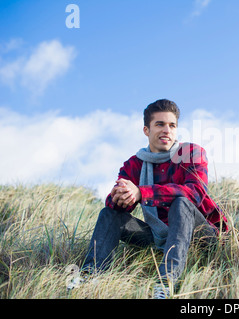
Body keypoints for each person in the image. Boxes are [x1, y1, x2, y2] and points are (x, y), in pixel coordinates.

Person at [80, 99, 229, 299]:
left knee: (181, 202)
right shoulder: (134, 164)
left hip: (200, 234)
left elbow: (194, 193)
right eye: (159, 124)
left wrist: (143, 192)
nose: (166, 130)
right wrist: (121, 196)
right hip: (157, 234)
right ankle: (90, 277)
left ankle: (165, 284)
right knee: (109, 214)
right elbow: (116, 206)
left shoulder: (191, 153)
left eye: (172, 125)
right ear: (146, 130)